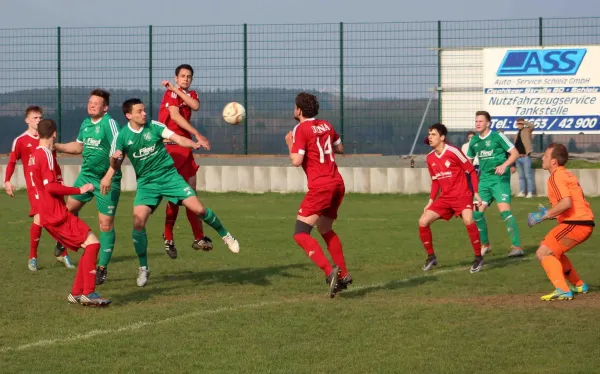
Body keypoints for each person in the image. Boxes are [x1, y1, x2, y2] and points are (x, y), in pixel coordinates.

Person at [108, 98, 239, 287]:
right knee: (138, 222)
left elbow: (177, 138)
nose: (144, 114)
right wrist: (115, 160)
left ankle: (227, 236)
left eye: (144, 110)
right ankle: (143, 268)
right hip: (147, 183)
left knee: (199, 210)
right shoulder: (122, 136)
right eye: (139, 111)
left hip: (169, 177)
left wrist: (192, 143)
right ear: (129, 115)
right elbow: (115, 163)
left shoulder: (154, 126)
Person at [29, 119, 111, 306]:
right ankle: (88, 293)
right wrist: (79, 190)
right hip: (56, 214)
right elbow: (50, 187)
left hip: (48, 214)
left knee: (89, 245)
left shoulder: (35, 155)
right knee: (93, 244)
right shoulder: (46, 154)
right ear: (55, 134)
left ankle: (76, 293)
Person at [285, 92, 350, 298]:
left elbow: (296, 160)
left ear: (299, 110)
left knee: (300, 233)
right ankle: (344, 274)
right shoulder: (327, 125)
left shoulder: (300, 129)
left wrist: (289, 142)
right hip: (337, 183)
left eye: (295, 107)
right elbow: (340, 148)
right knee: (325, 227)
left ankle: (330, 272)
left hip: (321, 186)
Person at [53, 89, 122, 285]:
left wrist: (109, 176)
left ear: (105, 107)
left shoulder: (109, 124)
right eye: (90, 101)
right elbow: (78, 147)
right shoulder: (85, 123)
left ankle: (102, 267)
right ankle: (65, 239)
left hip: (107, 180)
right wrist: (57, 146)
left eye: (96, 103)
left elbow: (119, 152)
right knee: (68, 211)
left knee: (105, 225)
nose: (91, 104)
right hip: (86, 177)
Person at [4, 106, 74, 271]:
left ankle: (62, 253)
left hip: (53, 184)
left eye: (40, 118)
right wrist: (7, 180)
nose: (38, 120)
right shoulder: (21, 141)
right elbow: (12, 161)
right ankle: (33, 257)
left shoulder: (48, 138)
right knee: (40, 219)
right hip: (36, 187)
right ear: (27, 120)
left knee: (61, 216)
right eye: (35, 118)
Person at [158, 64, 213, 258]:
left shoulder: (189, 94)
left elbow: (195, 106)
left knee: (190, 195)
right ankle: (168, 235)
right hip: (172, 148)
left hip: (186, 147)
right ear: (176, 77)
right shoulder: (170, 95)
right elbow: (174, 115)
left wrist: (178, 91)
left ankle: (198, 237)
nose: (186, 79)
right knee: (177, 197)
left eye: (189, 76)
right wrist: (197, 133)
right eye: (182, 76)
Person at [527, 143, 594, 301]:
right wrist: (550, 214)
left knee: (543, 252)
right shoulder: (566, 174)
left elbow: (566, 203)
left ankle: (563, 290)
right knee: (554, 251)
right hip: (582, 222)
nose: (542, 158)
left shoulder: (556, 176)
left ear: (554, 161)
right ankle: (579, 284)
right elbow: (567, 204)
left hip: (576, 223)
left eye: (545, 156)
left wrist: (541, 217)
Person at [420, 123, 484, 273]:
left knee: (469, 220)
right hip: (445, 198)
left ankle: (478, 257)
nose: (430, 137)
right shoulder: (430, 158)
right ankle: (431, 256)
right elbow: (435, 180)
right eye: (429, 134)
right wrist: (430, 201)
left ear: (442, 137)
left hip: (462, 195)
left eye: (433, 134)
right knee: (423, 221)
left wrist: (475, 192)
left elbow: (471, 171)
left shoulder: (453, 151)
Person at [466, 111, 523, 257]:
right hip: (484, 181)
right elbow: (469, 164)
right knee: (476, 213)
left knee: (504, 212)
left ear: (488, 123)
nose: (477, 123)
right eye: (476, 121)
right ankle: (486, 244)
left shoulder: (497, 136)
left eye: (480, 121)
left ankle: (517, 247)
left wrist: (505, 165)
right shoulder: (474, 141)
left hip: (499, 179)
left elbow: (515, 153)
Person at [513, 118, 535, 198]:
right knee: (521, 176)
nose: (518, 125)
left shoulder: (527, 130)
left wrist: (523, 122)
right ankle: (522, 192)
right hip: (518, 157)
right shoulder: (517, 133)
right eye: (517, 124)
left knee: (528, 176)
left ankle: (530, 192)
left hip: (526, 157)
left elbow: (532, 126)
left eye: (519, 123)